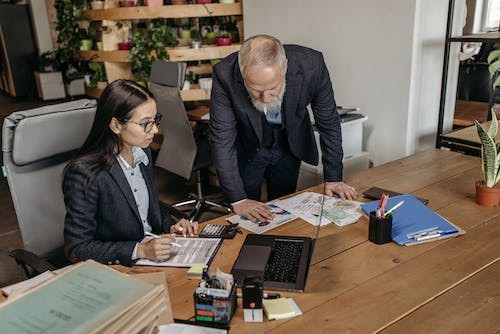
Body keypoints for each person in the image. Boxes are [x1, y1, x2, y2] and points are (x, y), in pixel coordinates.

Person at [210, 34, 358, 222]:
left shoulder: (312, 65)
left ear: (285, 67)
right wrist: (238, 199)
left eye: (273, 88)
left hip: (288, 145)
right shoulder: (224, 74)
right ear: (242, 73)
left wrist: (334, 178)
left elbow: (328, 122)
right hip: (247, 148)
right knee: (246, 217)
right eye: (255, 90)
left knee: (282, 212)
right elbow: (221, 140)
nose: (265, 98)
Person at [63, 79, 198, 267]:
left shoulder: (143, 153)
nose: (156, 130)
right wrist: (140, 250)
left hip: (152, 258)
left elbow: (147, 207)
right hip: (119, 267)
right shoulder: (84, 173)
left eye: (155, 120)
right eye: (145, 124)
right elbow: (77, 248)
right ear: (116, 125)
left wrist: (171, 225)